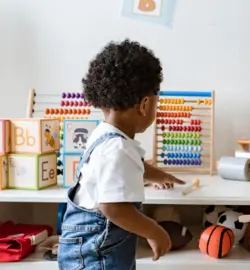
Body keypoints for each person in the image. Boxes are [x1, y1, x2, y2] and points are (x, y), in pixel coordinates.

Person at [58, 40, 185, 270]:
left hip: (91, 249)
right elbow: (114, 209)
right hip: (97, 257)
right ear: (145, 104)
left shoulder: (105, 135)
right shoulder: (117, 149)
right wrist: (155, 231)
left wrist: (161, 176)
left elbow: (133, 167)